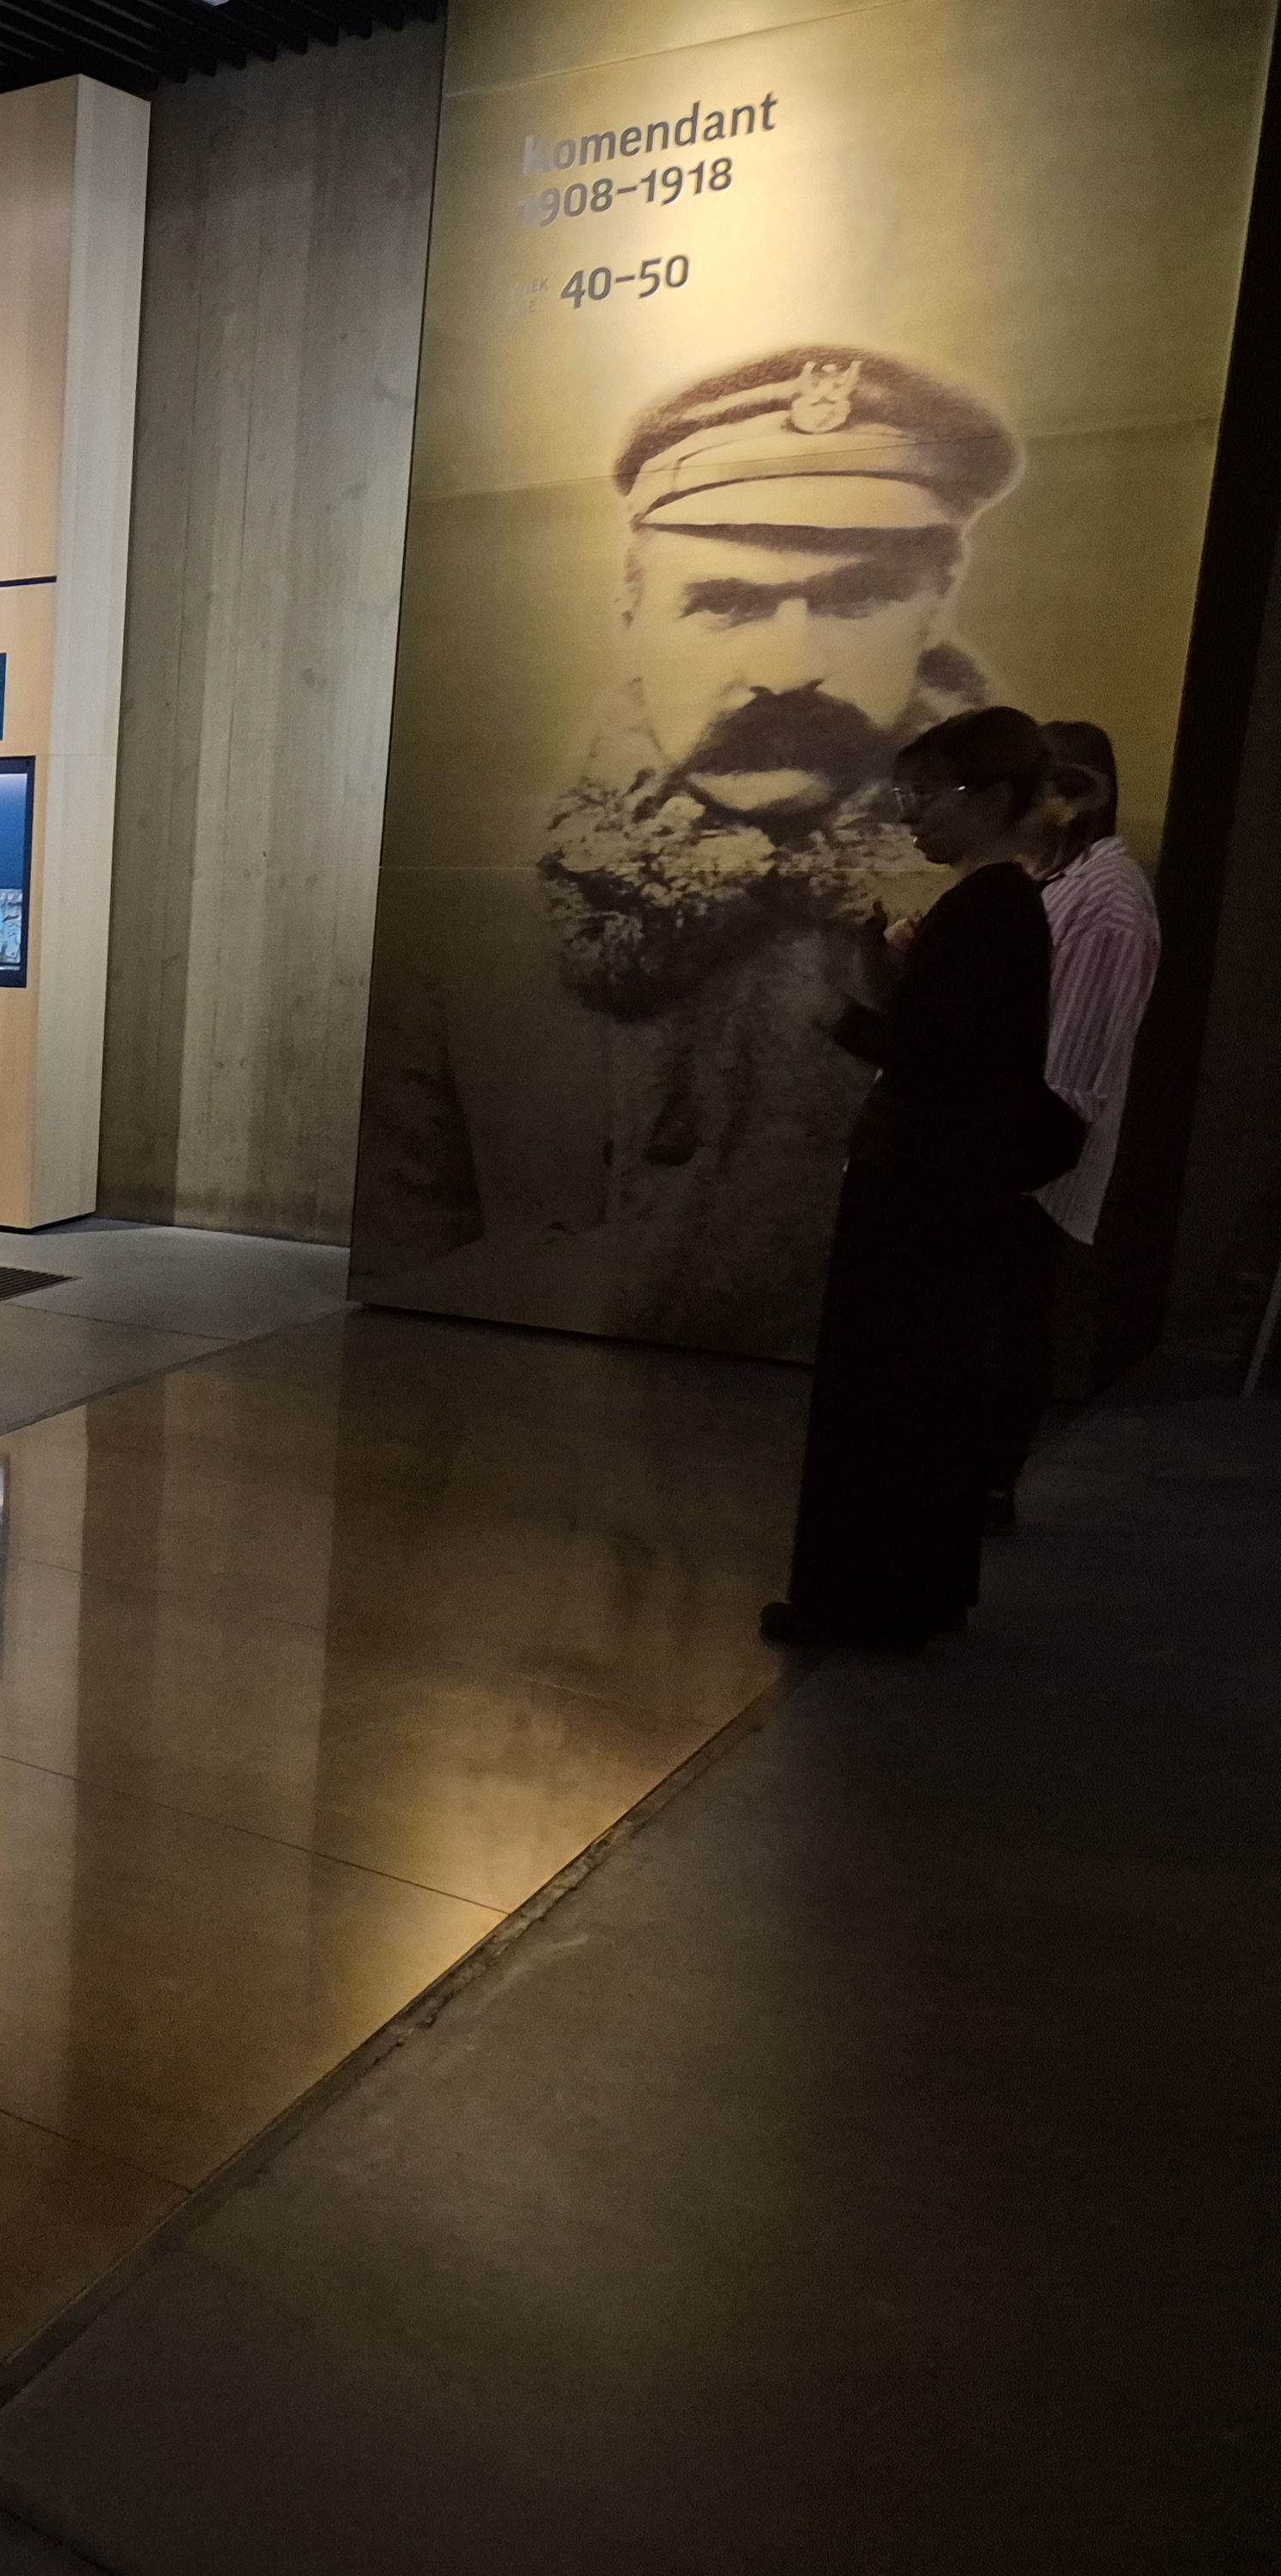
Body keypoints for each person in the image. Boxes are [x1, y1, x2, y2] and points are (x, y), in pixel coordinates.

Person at [357, 346, 1026, 1357]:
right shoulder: (469, 919)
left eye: (855, 600)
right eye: (723, 603)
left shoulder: (1017, 902)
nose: (788, 668)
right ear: (629, 611)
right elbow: (406, 1271)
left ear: (935, 605)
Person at [766, 707, 1072, 1652]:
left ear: (994, 797)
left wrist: (835, 1014)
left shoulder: (988, 910)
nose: (911, 814)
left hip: (919, 1189)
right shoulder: (995, 905)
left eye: (928, 794)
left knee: (886, 1397)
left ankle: (860, 1603)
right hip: (942, 1185)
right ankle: (907, 1596)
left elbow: (937, 1059)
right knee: (920, 1397)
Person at [976, 719, 1160, 1528]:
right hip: (1006, 1141)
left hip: (1031, 1156)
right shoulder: (1044, 881)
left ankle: (988, 1482)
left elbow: (1071, 1068)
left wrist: (1012, 1151)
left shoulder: (1107, 898)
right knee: (993, 1320)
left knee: (1009, 1318)